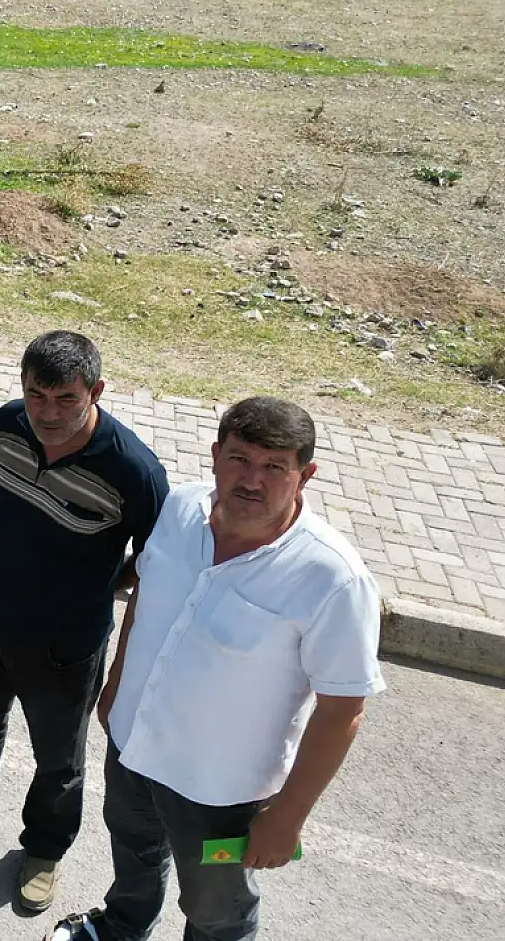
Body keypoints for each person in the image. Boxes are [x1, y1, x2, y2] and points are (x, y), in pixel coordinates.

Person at [50, 396, 386, 941]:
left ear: (306, 475)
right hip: (133, 745)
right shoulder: (180, 509)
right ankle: (121, 927)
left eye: (275, 466)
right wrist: (114, 687)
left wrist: (288, 817)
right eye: (239, 458)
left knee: (216, 907)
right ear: (214, 456)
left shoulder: (333, 579)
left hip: (217, 792)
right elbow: (144, 598)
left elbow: (343, 707)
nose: (251, 479)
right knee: (133, 853)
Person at [0, 332, 169, 912]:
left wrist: (108, 585)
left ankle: (45, 848)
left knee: (58, 761)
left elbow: (156, 565)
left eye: (66, 399)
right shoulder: (7, 426)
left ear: (96, 391)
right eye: (36, 396)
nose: (48, 414)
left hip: (64, 646)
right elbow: (7, 494)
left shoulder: (135, 471)